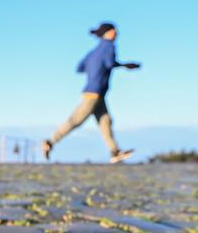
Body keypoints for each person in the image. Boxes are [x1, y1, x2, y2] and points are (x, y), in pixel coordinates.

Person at [41, 22, 140, 163]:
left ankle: (115, 152)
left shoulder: (93, 52)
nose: (117, 33)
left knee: (105, 121)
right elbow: (109, 63)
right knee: (75, 120)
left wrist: (94, 68)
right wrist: (125, 65)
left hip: (95, 92)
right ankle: (50, 142)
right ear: (108, 33)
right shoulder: (109, 46)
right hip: (95, 92)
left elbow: (80, 68)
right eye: (114, 31)